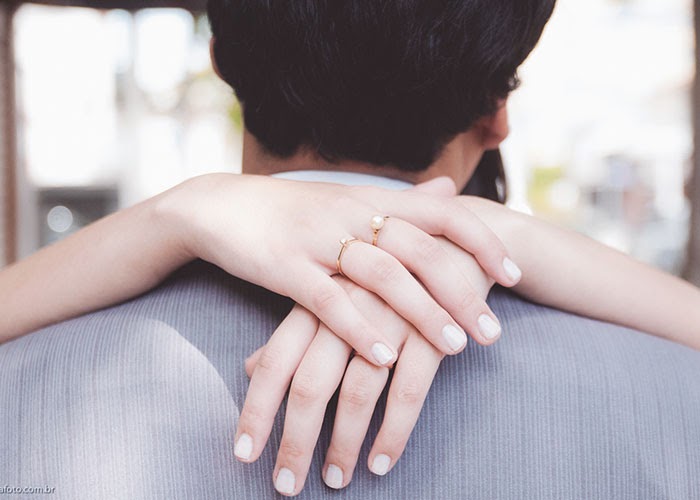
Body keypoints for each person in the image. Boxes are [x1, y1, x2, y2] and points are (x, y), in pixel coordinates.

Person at [1, 0, 699, 498]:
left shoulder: (22, 386)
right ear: (496, 114)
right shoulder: (676, 398)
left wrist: (170, 215)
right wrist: (500, 235)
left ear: (220, 62)